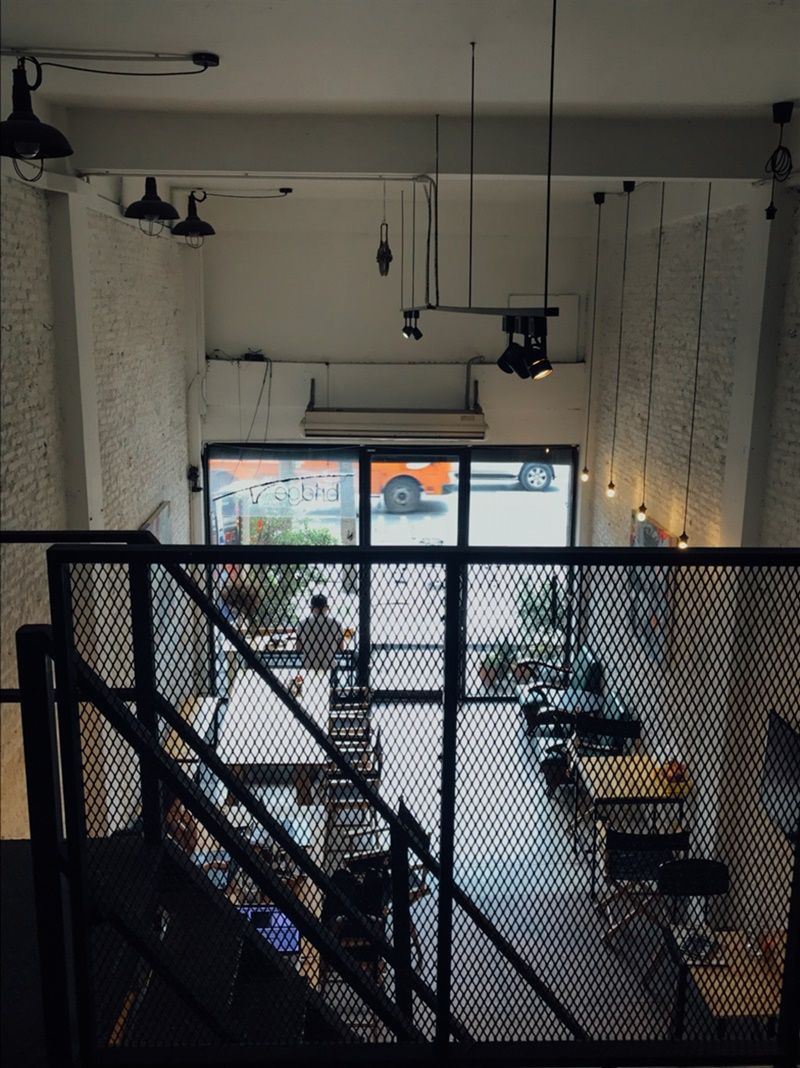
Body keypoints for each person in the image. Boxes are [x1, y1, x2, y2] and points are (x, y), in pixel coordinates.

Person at [295, 593, 344, 678]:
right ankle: (333, 685)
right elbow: (341, 649)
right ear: (327, 608)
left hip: (308, 665)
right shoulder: (337, 624)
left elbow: (298, 648)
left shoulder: (302, 623)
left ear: (311, 608)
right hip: (329, 665)